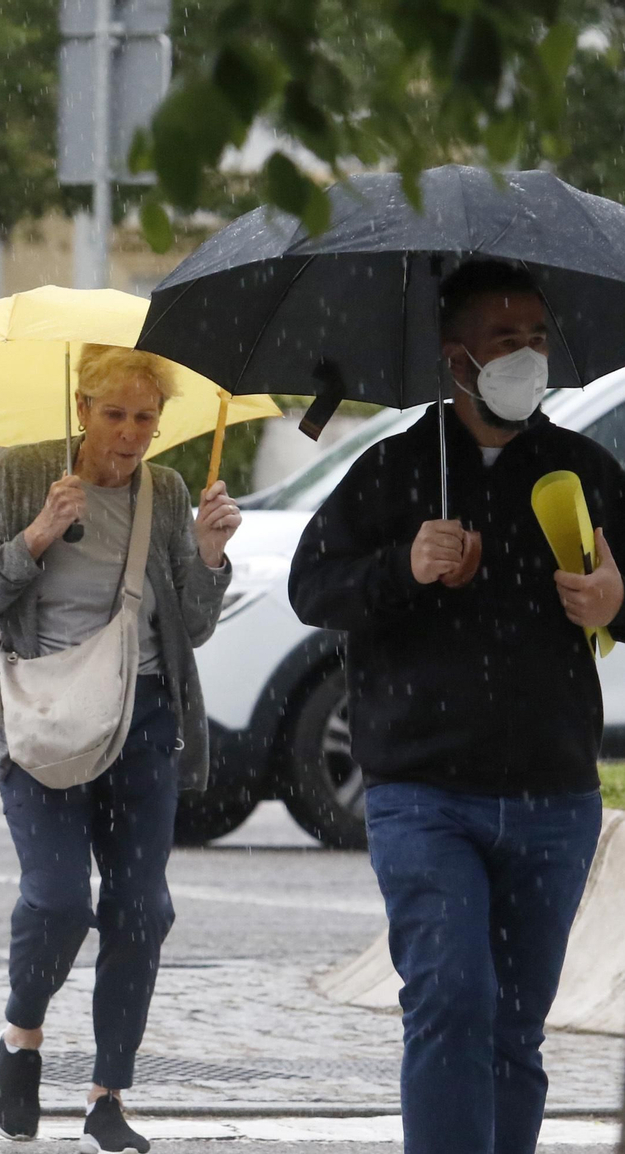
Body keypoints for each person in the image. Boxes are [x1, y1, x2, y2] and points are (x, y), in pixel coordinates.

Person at [288, 260, 623, 1154]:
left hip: (553, 797)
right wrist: (405, 565)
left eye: (537, 338)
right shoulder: (392, 469)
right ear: (456, 359)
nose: (527, 356)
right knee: (450, 1000)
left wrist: (615, 599)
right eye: (505, 340)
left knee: (515, 1027)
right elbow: (311, 587)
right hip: (424, 794)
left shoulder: (584, 469)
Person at [0, 347, 238, 1154]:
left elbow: (192, 625)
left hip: (143, 718)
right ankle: (20, 1039)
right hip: (41, 713)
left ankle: (107, 1096)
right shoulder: (24, 477)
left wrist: (209, 554)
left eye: (145, 418)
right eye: (114, 415)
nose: (129, 434)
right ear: (82, 410)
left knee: (141, 908)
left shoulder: (167, 491)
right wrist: (38, 533)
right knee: (57, 902)